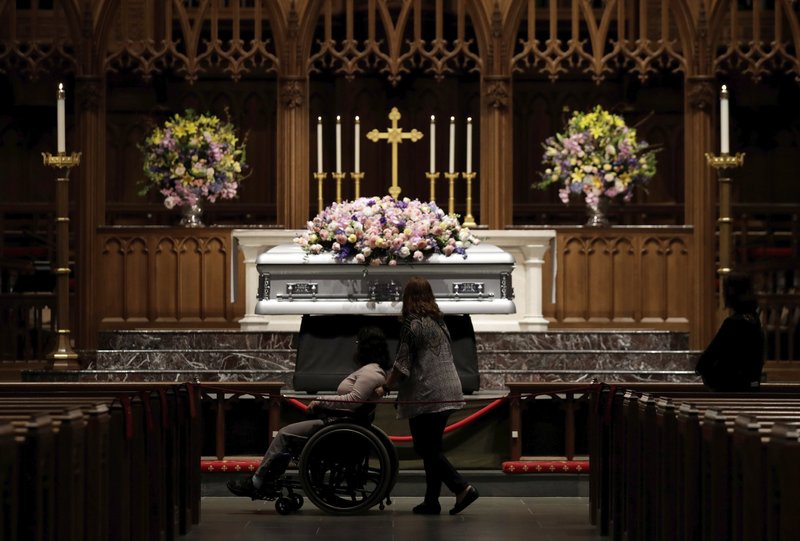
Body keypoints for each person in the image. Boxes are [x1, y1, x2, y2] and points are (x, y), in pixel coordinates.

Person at [227, 325, 391, 499]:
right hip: (341, 423)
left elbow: (352, 401)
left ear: (365, 346)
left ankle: (257, 482)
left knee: (284, 434)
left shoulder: (370, 373)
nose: (355, 346)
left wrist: (321, 401)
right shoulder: (375, 371)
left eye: (358, 342)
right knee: (289, 435)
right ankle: (268, 480)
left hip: (340, 428)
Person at [381, 275, 479, 515]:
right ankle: (431, 501)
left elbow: (402, 365)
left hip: (427, 393)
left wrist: (386, 386)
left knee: (426, 449)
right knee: (432, 448)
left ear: (407, 298)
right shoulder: (439, 322)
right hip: (448, 388)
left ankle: (462, 487)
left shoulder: (411, 324)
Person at [695, 272, 765, 392]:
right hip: (751, 386)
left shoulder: (733, 323)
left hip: (733, 388)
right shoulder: (754, 319)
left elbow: (710, 356)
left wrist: (700, 368)